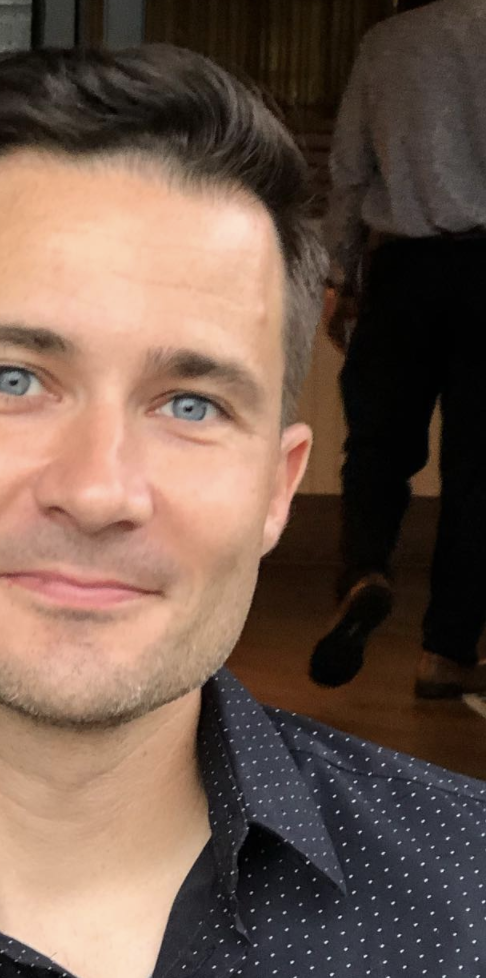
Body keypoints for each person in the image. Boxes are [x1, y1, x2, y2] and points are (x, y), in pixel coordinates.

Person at [0, 44, 484, 978]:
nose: (97, 491)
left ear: (278, 489)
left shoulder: (465, 900)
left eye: (191, 404)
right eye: (13, 378)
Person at [309, 0, 486, 696]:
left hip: (402, 269)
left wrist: (340, 276)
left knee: (377, 447)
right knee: (478, 471)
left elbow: (351, 172)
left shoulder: (386, 43)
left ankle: (365, 572)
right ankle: (446, 652)